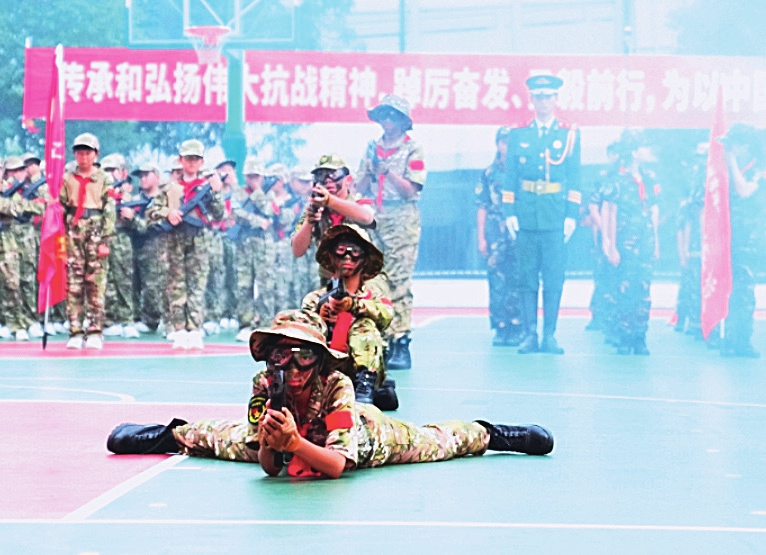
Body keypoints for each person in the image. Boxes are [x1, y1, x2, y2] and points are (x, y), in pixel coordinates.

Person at [106, 309, 554, 479]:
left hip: (356, 438)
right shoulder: (265, 384)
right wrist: (274, 443)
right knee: (219, 437)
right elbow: (270, 469)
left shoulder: (337, 385)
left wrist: (295, 443)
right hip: (292, 440)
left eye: (304, 356)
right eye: (282, 355)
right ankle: (165, 435)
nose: (292, 367)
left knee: (435, 442)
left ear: (320, 360)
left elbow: (337, 465)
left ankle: (493, 434)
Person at [502, 75, 581, 355]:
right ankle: (529, 334)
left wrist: (571, 215)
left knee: (554, 278)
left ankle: (550, 335)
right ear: (532, 100)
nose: (544, 102)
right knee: (526, 278)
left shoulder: (569, 134)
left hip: (555, 215)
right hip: (526, 215)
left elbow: (575, 176)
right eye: (539, 97)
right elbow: (510, 176)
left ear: (556, 99)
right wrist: (509, 212)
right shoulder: (519, 134)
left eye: (548, 97)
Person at [355, 95, 426, 370]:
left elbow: (411, 190)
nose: (387, 121)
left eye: (392, 116)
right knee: (375, 279)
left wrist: (389, 173)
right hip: (375, 218)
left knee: (399, 280)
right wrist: (372, 171)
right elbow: (359, 187)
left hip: (401, 218)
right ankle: (382, 339)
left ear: (402, 121)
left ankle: (401, 340)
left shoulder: (413, 149)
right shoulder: (371, 148)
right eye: (383, 115)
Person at [301, 224, 396, 408]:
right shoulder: (315, 299)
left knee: (365, 325)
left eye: (355, 251)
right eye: (341, 250)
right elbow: (301, 330)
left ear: (365, 259)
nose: (347, 257)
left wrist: (354, 306)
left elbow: (386, 316)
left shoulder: (374, 298)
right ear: (331, 256)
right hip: (325, 371)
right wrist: (319, 319)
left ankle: (365, 388)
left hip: (359, 369)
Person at [145, 139, 224, 349]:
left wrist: (217, 192)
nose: (191, 163)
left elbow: (219, 215)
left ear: (202, 162)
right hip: (174, 239)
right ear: (181, 160)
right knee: (176, 285)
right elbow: (151, 211)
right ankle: (179, 329)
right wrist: (168, 213)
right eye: (188, 158)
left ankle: (195, 329)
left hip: (198, 239)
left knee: (197, 285)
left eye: (196, 159)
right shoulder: (169, 187)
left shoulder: (207, 188)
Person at [600, 132, 660, 355]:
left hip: (645, 240)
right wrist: (611, 245)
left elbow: (653, 210)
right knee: (624, 289)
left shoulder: (649, 178)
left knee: (643, 290)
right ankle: (624, 336)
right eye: (644, 147)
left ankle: (640, 337)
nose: (648, 151)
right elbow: (611, 213)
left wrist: (656, 242)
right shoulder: (618, 180)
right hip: (625, 242)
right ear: (634, 152)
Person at [59, 133, 117, 349]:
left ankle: (94, 330)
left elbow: (110, 210)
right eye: (80, 152)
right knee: (73, 283)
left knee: (95, 282)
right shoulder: (67, 178)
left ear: (96, 155)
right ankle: (75, 330)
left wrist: (105, 240)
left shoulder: (104, 178)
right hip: (73, 231)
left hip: (95, 229)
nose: (83, 157)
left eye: (88, 153)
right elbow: (60, 207)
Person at [718, 123, 764, 358]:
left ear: (744, 146)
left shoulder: (759, 169)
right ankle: (729, 339)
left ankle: (741, 341)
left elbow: (744, 190)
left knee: (744, 291)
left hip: (749, 240)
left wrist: (732, 163)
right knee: (729, 289)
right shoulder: (726, 169)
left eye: (732, 145)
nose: (728, 150)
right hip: (728, 237)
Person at [476, 126, 522, 346]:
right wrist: (481, 238)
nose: (507, 146)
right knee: (496, 280)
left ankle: (518, 324)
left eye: (511, 142)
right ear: (498, 144)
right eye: (504, 142)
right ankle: (501, 326)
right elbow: (482, 206)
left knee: (518, 277)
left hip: (518, 230)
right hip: (495, 231)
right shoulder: (489, 173)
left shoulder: (522, 171)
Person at [291, 154, 375, 261]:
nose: (328, 180)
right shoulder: (315, 210)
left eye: (334, 175)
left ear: (348, 180)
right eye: (321, 176)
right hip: (331, 269)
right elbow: (297, 251)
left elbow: (366, 217)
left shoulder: (360, 203)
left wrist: (329, 201)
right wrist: (309, 221)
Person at [231, 156, 278, 342]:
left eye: (257, 176)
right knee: (243, 284)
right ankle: (245, 324)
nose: (253, 180)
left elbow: (270, 211)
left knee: (266, 285)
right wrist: (257, 221)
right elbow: (236, 213)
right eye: (250, 176)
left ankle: (266, 324)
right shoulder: (238, 193)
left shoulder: (268, 194)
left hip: (264, 245)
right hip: (244, 243)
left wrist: (258, 192)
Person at [0, 157, 45, 341]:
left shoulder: (20, 189)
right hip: (7, 234)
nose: (18, 174)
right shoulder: (7, 190)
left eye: (20, 170)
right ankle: (9, 321)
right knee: (8, 282)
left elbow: (40, 206)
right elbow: (9, 207)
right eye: (13, 171)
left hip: (13, 237)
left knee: (20, 280)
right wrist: (23, 205)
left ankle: (23, 320)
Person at [101, 154, 140, 339]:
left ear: (122, 173)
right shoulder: (99, 194)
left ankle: (127, 320)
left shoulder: (129, 197)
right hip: (103, 241)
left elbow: (143, 226)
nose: (109, 174)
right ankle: (109, 320)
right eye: (106, 170)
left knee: (125, 282)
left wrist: (131, 218)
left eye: (112, 170)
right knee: (105, 281)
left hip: (123, 241)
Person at [126, 163, 164, 333]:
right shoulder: (134, 199)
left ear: (157, 177)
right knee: (132, 282)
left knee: (152, 285)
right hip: (134, 245)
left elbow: (151, 225)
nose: (142, 179)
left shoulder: (161, 200)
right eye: (140, 176)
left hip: (154, 246)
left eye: (146, 175)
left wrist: (132, 218)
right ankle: (135, 317)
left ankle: (152, 320)